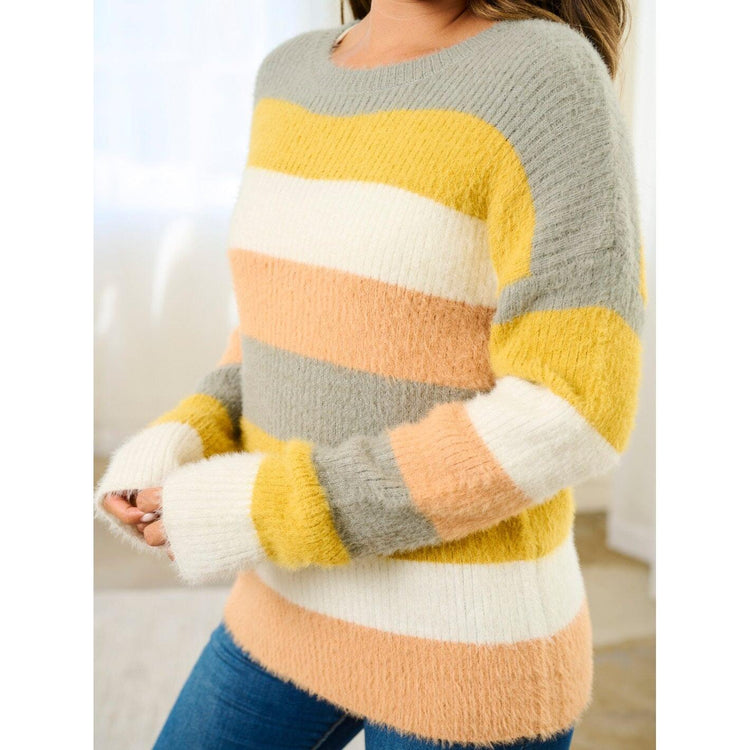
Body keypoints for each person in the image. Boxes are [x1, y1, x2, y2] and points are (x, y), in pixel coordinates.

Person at [94, 0, 645, 747]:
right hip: (283, 601)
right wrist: (184, 435)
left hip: (465, 650)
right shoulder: (287, 74)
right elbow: (277, 328)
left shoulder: (547, 76)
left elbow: (573, 409)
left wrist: (263, 509)